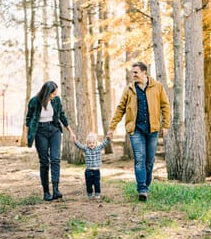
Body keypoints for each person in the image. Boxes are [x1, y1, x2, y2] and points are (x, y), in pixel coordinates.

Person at [107, 61, 170, 201]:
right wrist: (112, 128)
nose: (133, 74)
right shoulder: (129, 89)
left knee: (149, 161)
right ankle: (142, 188)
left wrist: (165, 125)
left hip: (152, 130)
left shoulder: (157, 87)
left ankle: (145, 186)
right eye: (132, 72)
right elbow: (120, 109)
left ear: (144, 72)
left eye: (135, 72)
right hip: (136, 130)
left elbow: (165, 106)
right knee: (140, 159)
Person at [26, 81, 75, 201]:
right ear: (47, 93)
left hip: (54, 130)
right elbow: (29, 118)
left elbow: (62, 115)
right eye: (53, 94)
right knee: (44, 162)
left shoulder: (56, 100)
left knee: (55, 159)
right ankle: (46, 192)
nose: (54, 96)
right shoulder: (34, 101)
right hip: (40, 131)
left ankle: (56, 190)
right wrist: (31, 132)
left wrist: (70, 131)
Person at [73, 132, 110, 199]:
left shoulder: (98, 148)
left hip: (96, 171)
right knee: (88, 183)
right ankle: (89, 194)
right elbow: (80, 146)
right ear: (87, 144)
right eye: (89, 143)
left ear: (96, 143)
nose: (91, 144)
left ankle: (97, 194)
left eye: (93, 143)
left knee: (97, 183)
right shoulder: (86, 149)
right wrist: (75, 141)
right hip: (88, 170)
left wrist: (107, 138)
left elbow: (104, 144)